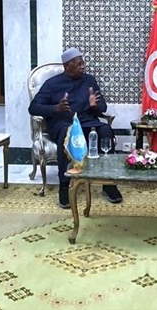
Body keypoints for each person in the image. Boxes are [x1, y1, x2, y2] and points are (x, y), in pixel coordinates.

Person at [28, 47, 122, 209]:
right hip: (63, 124)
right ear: (67, 66)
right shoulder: (52, 84)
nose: (83, 66)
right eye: (79, 64)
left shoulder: (89, 80)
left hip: (87, 122)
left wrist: (94, 106)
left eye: (83, 63)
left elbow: (102, 106)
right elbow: (33, 108)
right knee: (67, 133)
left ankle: (108, 184)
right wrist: (56, 108)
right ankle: (64, 186)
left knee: (105, 130)